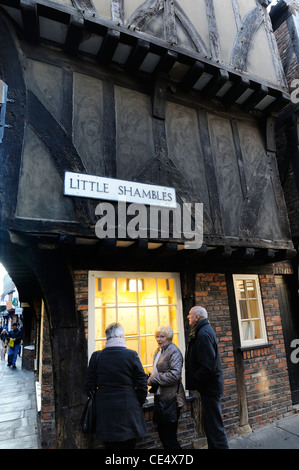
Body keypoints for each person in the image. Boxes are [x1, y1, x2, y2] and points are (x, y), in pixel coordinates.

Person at [84, 322, 148, 449]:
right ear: (121, 337)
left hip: (105, 411)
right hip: (129, 409)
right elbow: (142, 383)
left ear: (107, 338)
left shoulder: (97, 356)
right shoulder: (131, 355)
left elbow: (88, 385)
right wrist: (138, 401)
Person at [185, 306, 229, 449]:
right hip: (209, 387)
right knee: (211, 424)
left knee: (214, 426)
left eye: (190, 314)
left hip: (210, 388)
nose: (188, 317)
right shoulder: (203, 330)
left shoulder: (203, 333)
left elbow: (208, 366)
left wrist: (195, 378)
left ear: (197, 317)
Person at [148, 325, 186, 449]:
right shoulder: (159, 351)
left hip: (171, 399)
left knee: (170, 439)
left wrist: (154, 378)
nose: (159, 339)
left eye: (162, 336)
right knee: (163, 437)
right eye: (157, 336)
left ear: (169, 337)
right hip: (160, 398)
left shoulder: (173, 351)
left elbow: (174, 375)